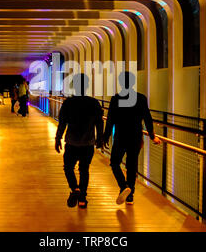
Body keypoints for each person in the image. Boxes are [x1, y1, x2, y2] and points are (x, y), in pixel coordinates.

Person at [103, 71, 161, 205]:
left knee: (115, 163)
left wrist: (105, 137)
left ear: (121, 83)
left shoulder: (116, 99)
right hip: (135, 137)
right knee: (131, 165)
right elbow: (147, 118)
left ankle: (124, 187)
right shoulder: (141, 98)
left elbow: (110, 120)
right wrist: (152, 136)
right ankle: (130, 196)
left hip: (120, 136)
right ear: (133, 83)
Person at [55, 73, 104, 209]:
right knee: (84, 170)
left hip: (71, 142)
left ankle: (74, 188)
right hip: (88, 143)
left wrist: (58, 138)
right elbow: (99, 123)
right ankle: (82, 199)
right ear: (87, 86)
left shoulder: (68, 103)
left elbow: (62, 123)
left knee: (68, 168)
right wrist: (100, 139)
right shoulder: (94, 103)